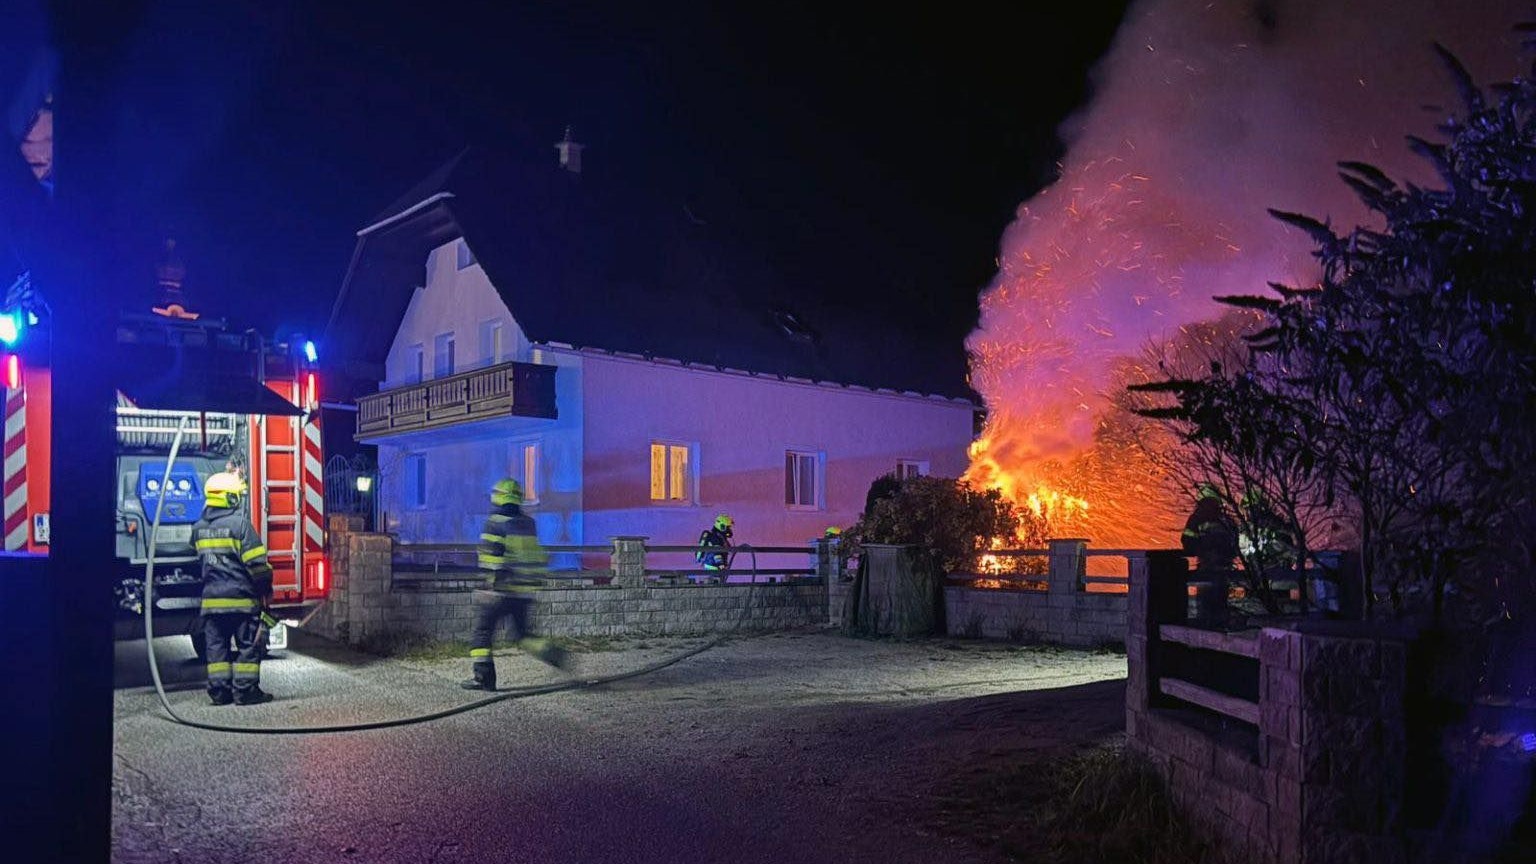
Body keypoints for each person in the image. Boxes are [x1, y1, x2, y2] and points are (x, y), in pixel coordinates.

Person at [461, 478, 567, 691]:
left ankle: (484, 679)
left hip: (499, 591)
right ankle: (552, 653)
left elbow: (492, 557)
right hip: (523, 591)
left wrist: (490, 587)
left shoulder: (495, 522)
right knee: (523, 636)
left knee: (482, 634)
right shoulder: (528, 523)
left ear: (498, 496)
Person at [192, 472, 275, 705]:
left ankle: (220, 692)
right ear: (229, 499)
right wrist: (266, 590)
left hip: (211, 604)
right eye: (236, 496)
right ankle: (245, 691)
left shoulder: (198, 528)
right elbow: (257, 566)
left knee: (216, 650)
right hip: (240, 600)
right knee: (249, 647)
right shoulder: (239, 526)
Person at [1181, 483, 1238, 573]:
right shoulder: (1197, 519)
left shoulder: (1197, 519)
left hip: (1222, 565)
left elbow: (1236, 544)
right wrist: (1204, 552)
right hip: (1208, 565)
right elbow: (1187, 541)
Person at [696, 514, 734, 580]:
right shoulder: (715, 537)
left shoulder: (720, 536)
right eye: (728, 527)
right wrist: (721, 565)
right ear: (722, 526)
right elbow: (717, 552)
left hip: (714, 567)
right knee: (715, 583)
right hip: (713, 567)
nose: (729, 529)